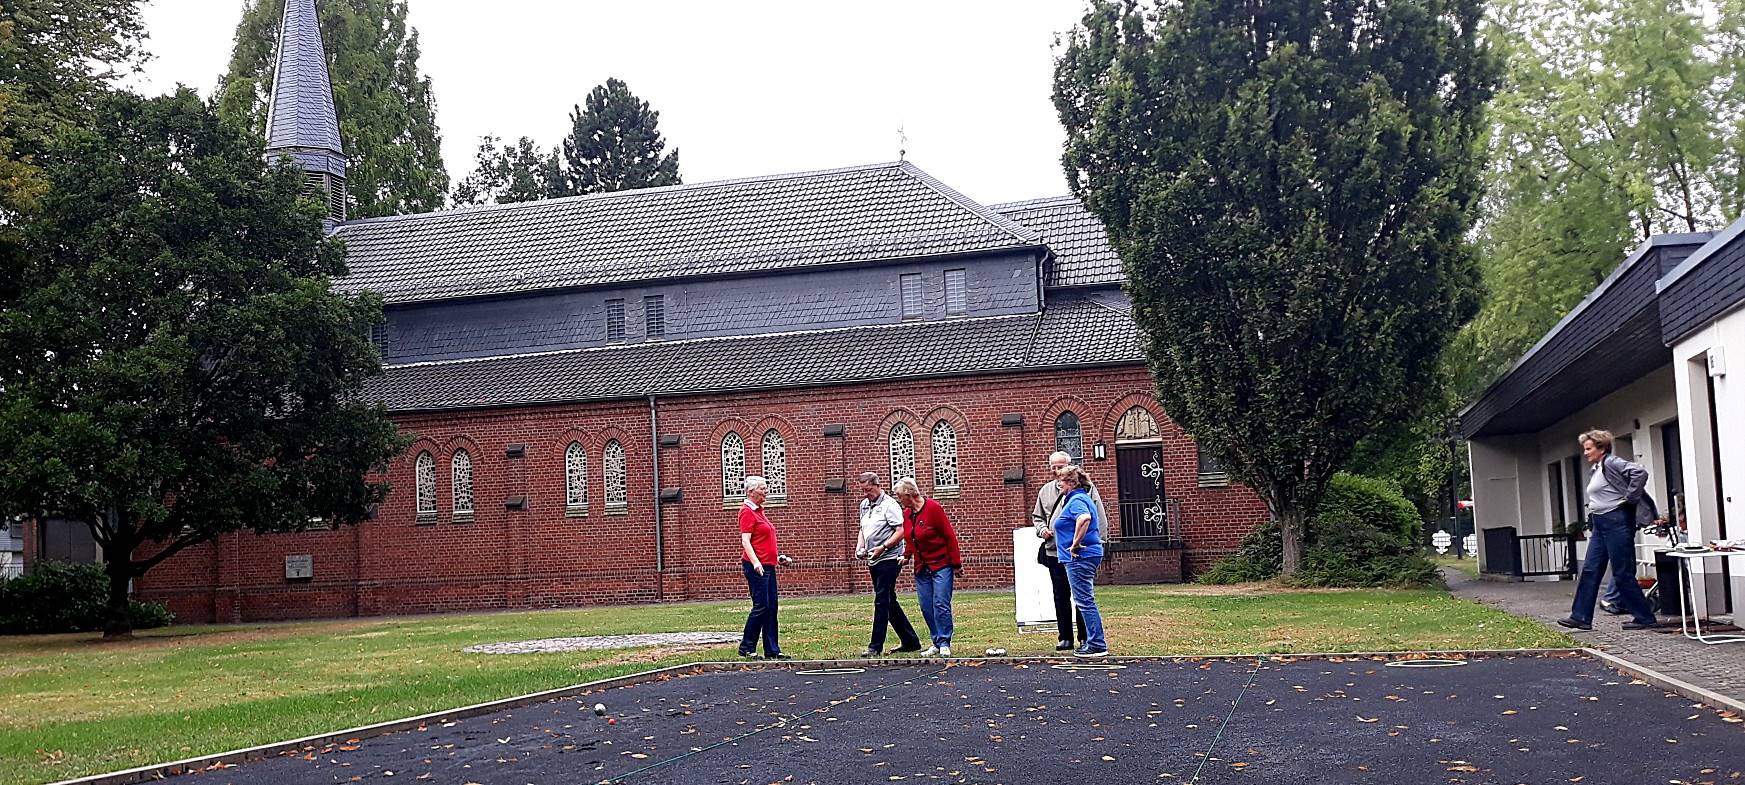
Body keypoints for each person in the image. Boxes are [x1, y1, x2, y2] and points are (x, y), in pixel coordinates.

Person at [1559, 430, 1658, 632]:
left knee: (1622, 571)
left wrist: (1630, 498)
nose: (1585, 453)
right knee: (1590, 569)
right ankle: (1580, 617)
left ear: (1602, 448)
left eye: (1588, 449)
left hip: (1617, 520)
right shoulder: (1596, 469)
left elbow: (1640, 473)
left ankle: (1644, 616)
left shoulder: (1611, 463)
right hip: (1600, 522)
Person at [1031, 450, 1109, 651]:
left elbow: (1089, 518)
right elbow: (1037, 517)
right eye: (1053, 468)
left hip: (1077, 554)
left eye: (1060, 468)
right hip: (1055, 551)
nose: (1056, 473)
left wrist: (1080, 544)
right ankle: (1066, 636)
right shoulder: (1046, 491)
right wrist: (1042, 530)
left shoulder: (1079, 496)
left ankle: (1090, 640)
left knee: (1082, 598)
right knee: (1062, 595)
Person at [855, 472, 924, 657]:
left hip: (890, 558)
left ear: (877, 486)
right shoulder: (864, 505)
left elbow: (901, 531)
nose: (866, 494)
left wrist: (883, 547)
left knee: (881, 599)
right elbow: (863, 529)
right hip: (873, 558)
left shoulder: (889, 505)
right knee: (889, 600)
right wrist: (860, 547)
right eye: (863, 490)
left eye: (868, 490)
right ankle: (910, 641)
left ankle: (875, 646)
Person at [895, 476, 961, 657]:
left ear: (909, 494)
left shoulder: (934, 509)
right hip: (921, 567)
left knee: (941, 603)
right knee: (926, 606)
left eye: (900, 496)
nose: (899, 500)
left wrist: (956, 564)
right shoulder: (907, 514)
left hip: (941, 564)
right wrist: (906, 555)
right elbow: (911, 537)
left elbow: (949, 536)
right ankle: (936, 641)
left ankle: (945, 641)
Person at [1054, 465, 1108, 657]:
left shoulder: (1076, 500)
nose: (1059, 484)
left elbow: (1084, 518)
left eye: (1061, 480)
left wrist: (1075, 544)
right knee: (1085, 599)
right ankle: (1095, 641)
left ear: (1071, 482)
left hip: (1080, 557)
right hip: (1086, 555)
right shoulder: (1079, 498)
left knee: (1084, 600)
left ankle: (1096, 644)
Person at [737, 476, 793, 659]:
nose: (766, 491)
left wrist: (778, 558)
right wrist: (755, 563)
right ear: (751, 492)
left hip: (768, 565)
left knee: (771, 607)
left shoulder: (760, 512)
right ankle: (746, 647)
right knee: (761, 606)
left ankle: (772, 650)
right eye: (762, 488)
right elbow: (746, 541)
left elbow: (762, 541)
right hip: (757, 567)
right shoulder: (746, 511)